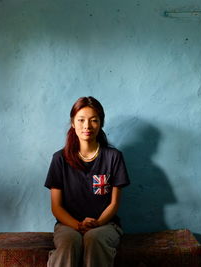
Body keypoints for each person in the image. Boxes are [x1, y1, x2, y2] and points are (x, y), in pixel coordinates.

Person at [44, 96, 130, 267]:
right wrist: (77, 225)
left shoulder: (113, 157)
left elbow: (114, 204)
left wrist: (96, 224)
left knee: (94, 238)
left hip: (106, 224)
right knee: (69, 242)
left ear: (101, 123)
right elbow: (56, 207)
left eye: (94, 120)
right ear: (73, 123)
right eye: (81, 120)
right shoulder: (59, 159)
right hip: (67, 225)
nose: (87, 126)